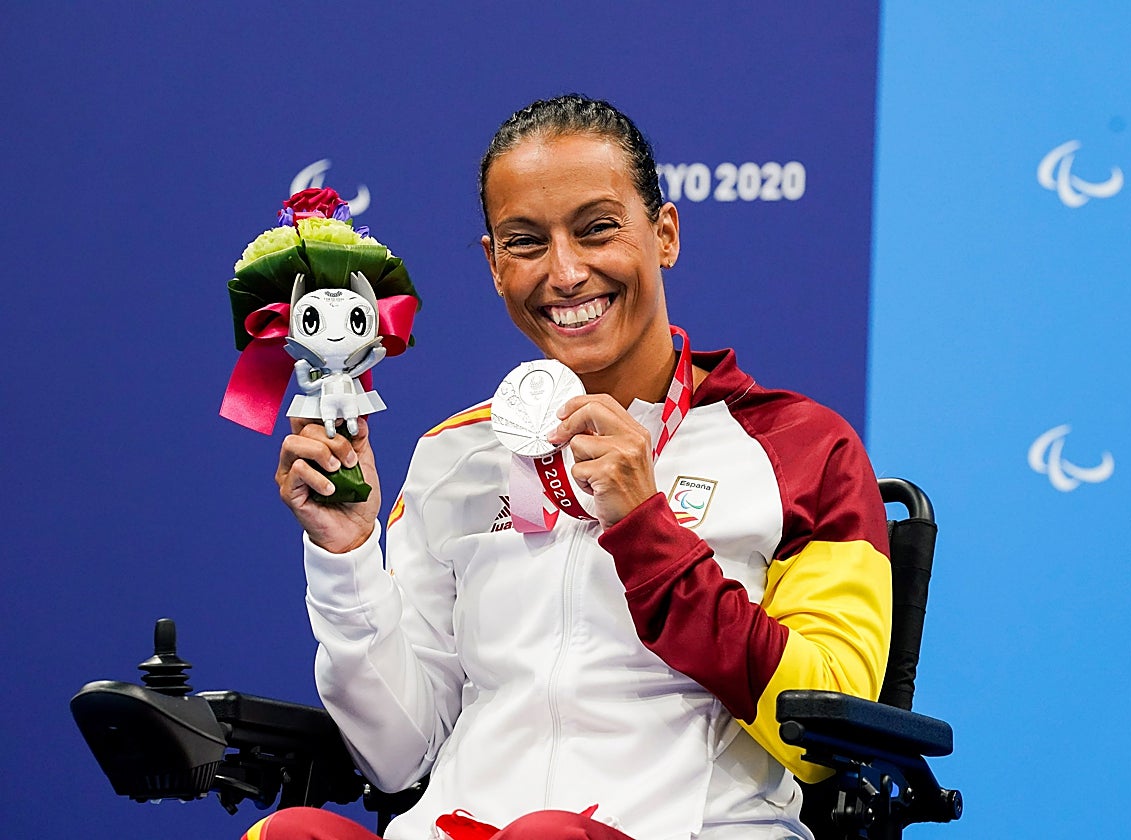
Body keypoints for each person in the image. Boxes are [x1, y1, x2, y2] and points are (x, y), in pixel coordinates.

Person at [254, 95, 891, 840]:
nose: (564, 272)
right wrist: (346, 557)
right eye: (525, 242)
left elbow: (827, 725)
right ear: (494, 266)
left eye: (597, 229)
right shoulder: (452, 457)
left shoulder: (801, 448)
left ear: (664, 234)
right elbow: (397, 757)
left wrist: (649, 531)